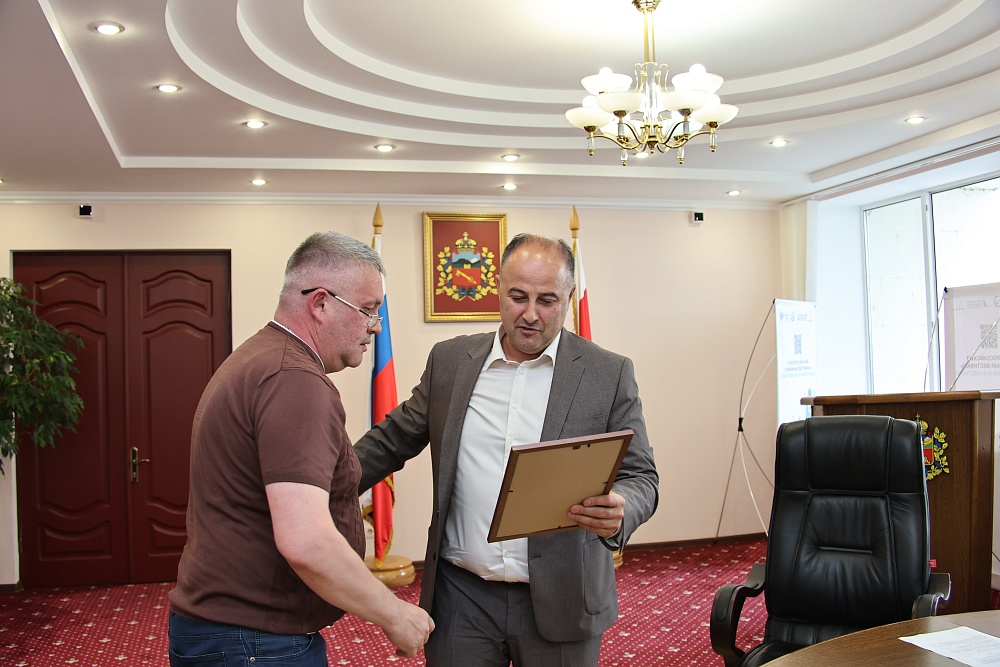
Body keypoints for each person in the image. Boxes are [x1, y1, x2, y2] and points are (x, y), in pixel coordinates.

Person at [354, 233, 659, 666]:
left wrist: (621, 508)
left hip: (564, 597)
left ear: (569, 297)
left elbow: (642, 476)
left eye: (547, 301)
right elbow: (391, 440)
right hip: (461, 599)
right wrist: (313, 485)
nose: (530, 314)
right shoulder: (451, 362)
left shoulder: (607, 373)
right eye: (518, 297)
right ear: (497, 288)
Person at [168, 231, 434, 666]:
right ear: (321, 303)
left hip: (234, 634)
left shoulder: (262, 357)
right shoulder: (293, 380)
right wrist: (395, 615)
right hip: (254, 643)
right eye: (368, 310)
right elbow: (306, 540)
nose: (376, 326)